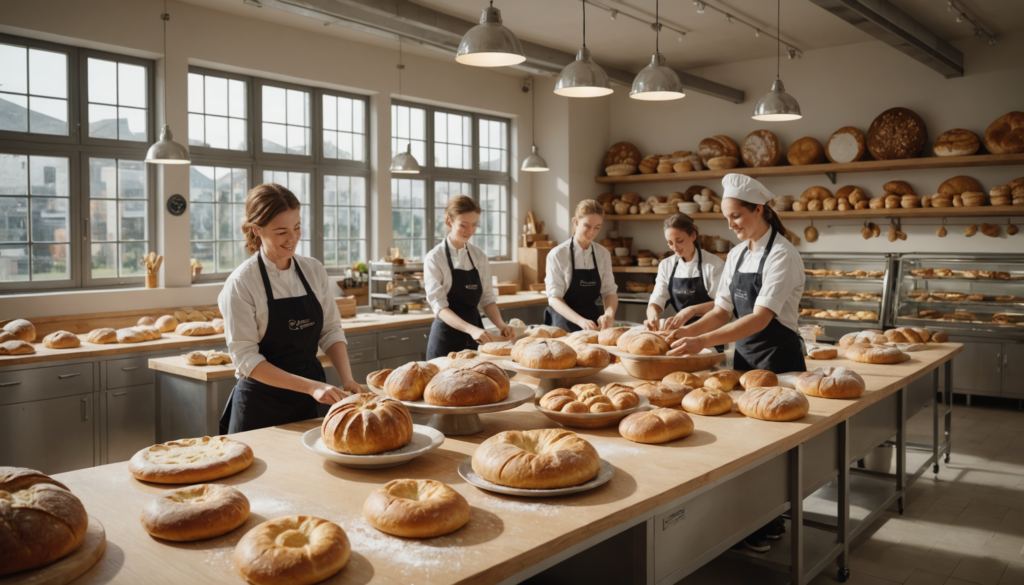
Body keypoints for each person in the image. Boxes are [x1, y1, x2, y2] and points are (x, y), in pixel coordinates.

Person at [660, 174, 805, 553]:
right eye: (726, 218)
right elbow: (723, 310)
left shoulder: (782, 254)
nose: (731, 225)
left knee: (772, 449)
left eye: (737, 216)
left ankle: (768, 520)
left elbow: (760, 318)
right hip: (745, 359)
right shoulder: (739, 253)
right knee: (747, 447)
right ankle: (755, 523)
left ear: (760, 210)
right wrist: (685, 335)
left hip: (779, 360)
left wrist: (702, 342)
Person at [219, 183, 363, 434]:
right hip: (261, 407)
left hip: (311, 401)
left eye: (297, 227)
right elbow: (246, 359)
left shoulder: (313, 270)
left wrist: (347, 378)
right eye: (281, 231)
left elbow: (330, 330)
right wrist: (311, 386)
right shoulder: (242, 283)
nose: (293, 238)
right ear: (257, 229)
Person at [424, 195, 513, 360]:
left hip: (476, 338)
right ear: (449, 221)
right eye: (463, 225)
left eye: (474, 225)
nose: (470, 231)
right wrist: (471, 329)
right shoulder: (435, 257)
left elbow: (487, 298)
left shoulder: (479, 256)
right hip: (446, 338)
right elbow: (440, 307)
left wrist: (501, 325)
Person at [643, 213, 725, 350]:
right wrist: (653, 317)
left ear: (693, 236)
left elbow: (723, 305)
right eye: (670, 243)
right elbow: (657, 300)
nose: (674, 247)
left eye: (679, 240)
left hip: (709, 335)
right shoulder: (666, 265)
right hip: (680, 335)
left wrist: (691, 310)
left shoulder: (714, 264)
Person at [544, 200, 618, 332]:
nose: (592, 232)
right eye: (587, 226)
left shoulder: (603, 254)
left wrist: (609, 314)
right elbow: (554, 299)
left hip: (591, 320)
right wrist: (580, 321)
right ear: (575, 223)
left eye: (597, 227)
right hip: (562, 321)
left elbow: (609, 292)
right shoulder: (558, 255)